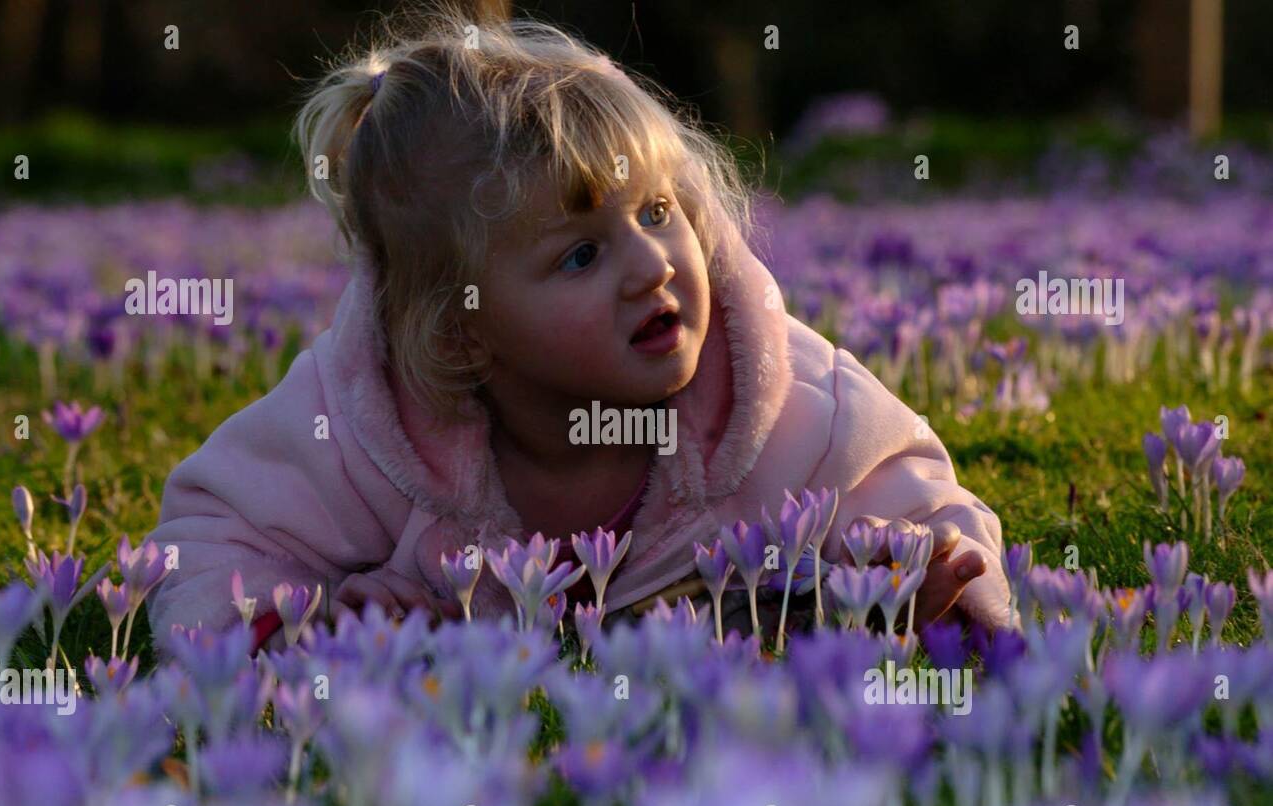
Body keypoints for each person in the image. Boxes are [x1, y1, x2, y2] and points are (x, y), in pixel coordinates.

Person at [143, 7, 1010, 652]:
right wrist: (288, 625)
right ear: (462, 333)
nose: (654, 266)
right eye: (580, 256)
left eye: (660, 212)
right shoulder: (366, 425)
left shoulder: (777, 401)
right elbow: (213, 539)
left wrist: (933, 575)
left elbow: (916, 488)